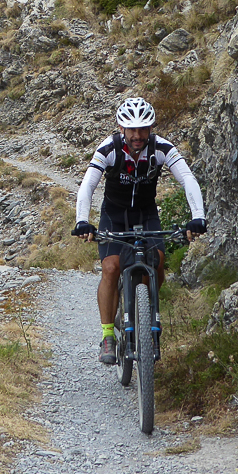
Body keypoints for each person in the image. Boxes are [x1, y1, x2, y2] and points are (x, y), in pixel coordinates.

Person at [72, 96, 207, 365]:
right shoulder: (109, 149)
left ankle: (146, 316)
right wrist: (81, 221)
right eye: (131, 129)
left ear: (150, 128)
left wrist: (198, 217)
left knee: (158, 262)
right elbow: (88, 184)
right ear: (121, 128)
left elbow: (188, 179)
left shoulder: (161, 148)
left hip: (146, 214)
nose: (137, 135)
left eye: (143, 129)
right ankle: (108, 335)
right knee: (111, 267)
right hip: (114, 215)